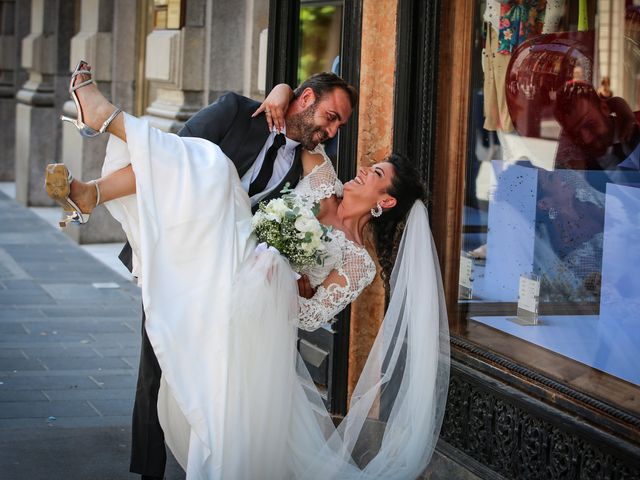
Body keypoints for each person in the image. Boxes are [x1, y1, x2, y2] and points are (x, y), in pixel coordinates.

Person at [46, 61, 449, 479]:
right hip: (216, 248)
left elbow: (312, 314)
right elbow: (297, 125)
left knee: (213, 390)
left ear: (383, 202)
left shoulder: (357, 262)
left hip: (254, 292)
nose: (362, 166)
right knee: (211, 168)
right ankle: (97, 158)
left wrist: (283, 278)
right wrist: (282, 89)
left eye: (377, 173)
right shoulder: (322, 173)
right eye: (334, 120)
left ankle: (98, 157)